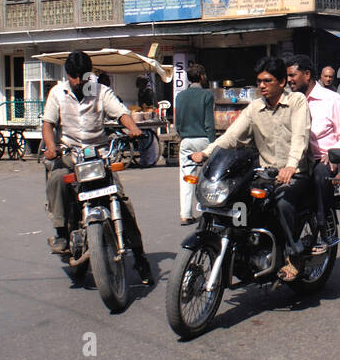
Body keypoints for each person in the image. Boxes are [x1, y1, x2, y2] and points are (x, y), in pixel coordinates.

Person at [190, 57, 311, 280]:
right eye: (259, 81)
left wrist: (291, 166)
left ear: (282, 82)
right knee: (236, 199)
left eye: (268, 80)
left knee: (282, 202)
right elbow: (232, 136)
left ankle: (295, 255)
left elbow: (299, 137)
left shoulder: (297, 101)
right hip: (265, 173)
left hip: (294, 173)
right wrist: (206, 153)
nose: (262, 85)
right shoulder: (255, 107)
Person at [42, 51, 154, 284]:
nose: (77, 82)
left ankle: (140, 257)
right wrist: (51, 147)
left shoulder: (100, 92)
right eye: (73, 77)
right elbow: (48, 124)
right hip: (71, 154)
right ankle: (61, 232)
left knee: (123, 202)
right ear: (67, 75)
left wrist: (133, 127)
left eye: (81, 77)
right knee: (56, 179)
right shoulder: (57, 93)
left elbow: (121, 112)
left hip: (99, 155)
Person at [287, 53, 340, 249]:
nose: (289, 81)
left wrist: (334, 153)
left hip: (322, 161)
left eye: (293, 75)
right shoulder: (289, 101)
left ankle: (324, 219)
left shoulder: (332, 99)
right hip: (296, 161)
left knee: (320, 175)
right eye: (288, 77)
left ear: (307, 75)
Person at [175, 63, 216, 225]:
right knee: (210, 176)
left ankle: (185, 214)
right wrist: (213, 144)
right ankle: (211, 210)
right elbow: (209, 123)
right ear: (201, 77)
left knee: (186, 177)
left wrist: (182, 136)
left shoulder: (180, 96)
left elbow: (177, 124)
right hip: (204, 140)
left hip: (186, 141)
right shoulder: (207, 95)